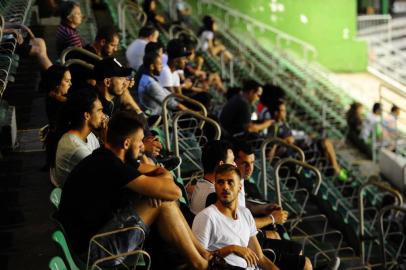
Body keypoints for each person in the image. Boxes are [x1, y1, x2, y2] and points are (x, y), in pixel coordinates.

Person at [56, 111, 213, 269]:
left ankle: (203, 256)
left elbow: (160, 172)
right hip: (94, 251)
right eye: (139, 142)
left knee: (163, 201)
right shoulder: (112, 166)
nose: (143, 147)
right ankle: (200, 263)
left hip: (99, 237)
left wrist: (157, 188)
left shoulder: (111, 157)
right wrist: (158, 190)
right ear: (126, 144)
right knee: (163, 204)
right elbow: (175, 192)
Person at [192, 164, 278, 270]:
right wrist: (231, 249)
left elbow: (259, 257)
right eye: (220, 182)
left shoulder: (245, 213)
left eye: (230, 182)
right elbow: (198, 260)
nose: (225, 187)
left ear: (239, 188)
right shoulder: (206, 217)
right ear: (215, 186)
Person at [269, 99, 346, 180]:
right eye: (282, 110)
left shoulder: (284, 125)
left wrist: (306, 137)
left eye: (285, 110)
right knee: (326, 143)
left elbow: (294, 135)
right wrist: (284, 142)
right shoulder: (273, 126)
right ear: (276, 112)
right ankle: (336, 170)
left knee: (326, 144)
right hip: (297, 152)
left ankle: (334, 169)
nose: (285, 113)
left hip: (301, 147)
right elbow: (272, 145)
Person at [53, 89, 104, 186]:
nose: (103, 116)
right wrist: (107, 141)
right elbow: (103, 173)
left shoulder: (90, 136)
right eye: (99, 111)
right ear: (87, 115)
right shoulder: (77, 149)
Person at [189, 140, 240, 215]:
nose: (235, 165)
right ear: (221, 165)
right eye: (232, 161)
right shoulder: (217, 195)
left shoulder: (200, 185)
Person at [138, 52, 190, 116]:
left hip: (161, 115)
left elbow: (168, 94)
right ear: (152, 66)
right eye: (160, 64)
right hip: (157, 119)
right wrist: (194, 113)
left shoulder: (148, 78)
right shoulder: (151, 84)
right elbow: (170, 103)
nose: (162, 67)